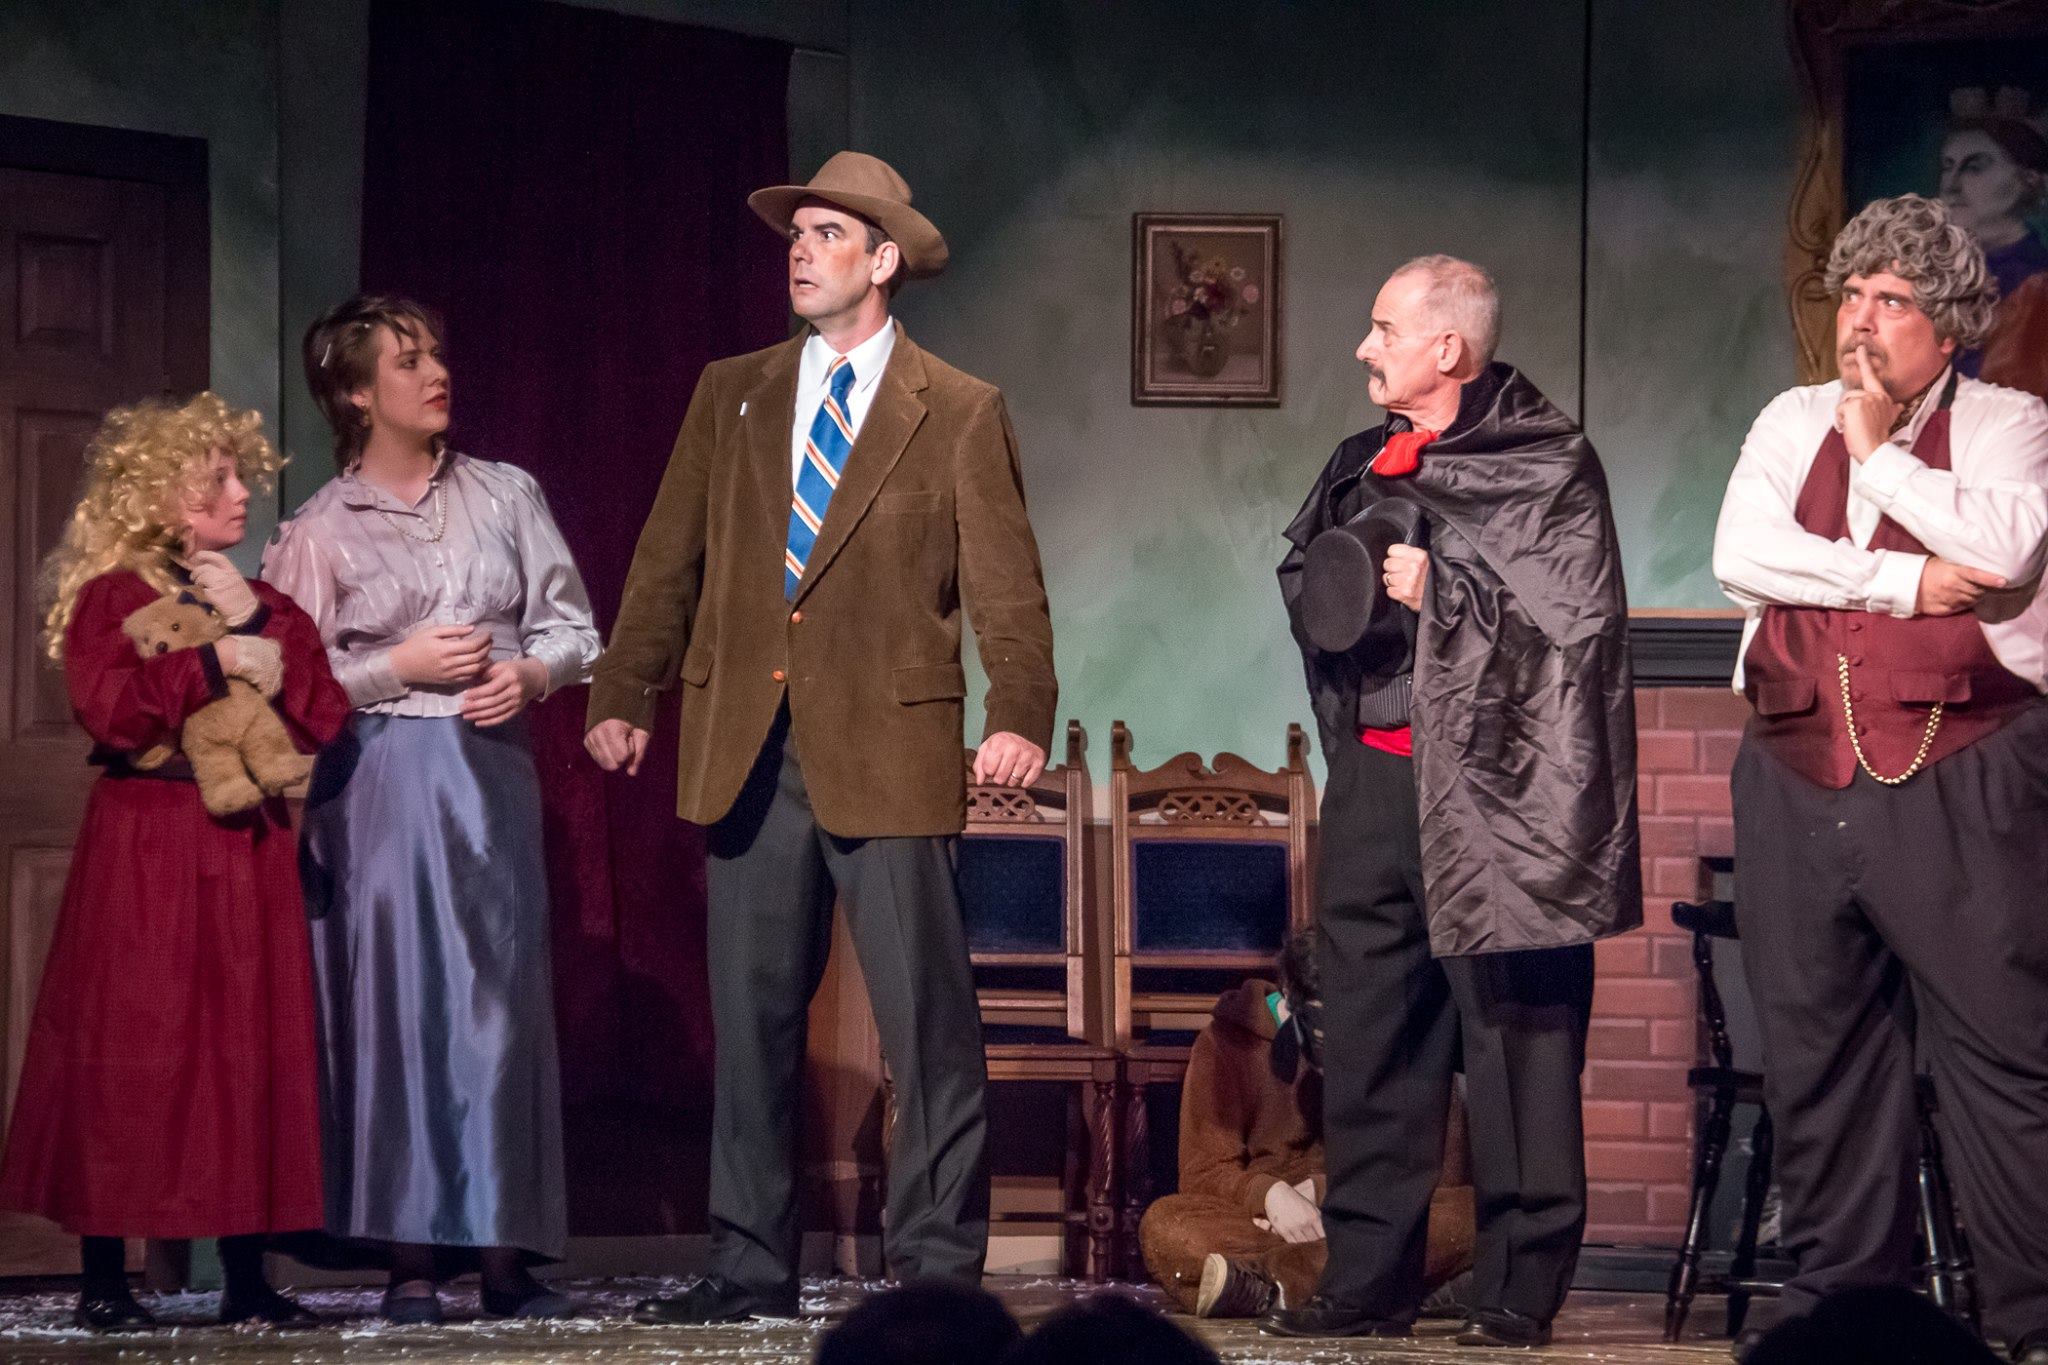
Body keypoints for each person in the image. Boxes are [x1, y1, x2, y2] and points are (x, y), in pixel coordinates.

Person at [585, 150, 1057, 1323]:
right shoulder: (732, 391)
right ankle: (749, 1264)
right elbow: (668, 555)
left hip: (890, 745)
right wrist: (623, 688)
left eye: (828, 235)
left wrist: (1018, 713)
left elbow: (1007, 586)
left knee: (927, 1026)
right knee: (750, 1026)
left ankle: (936, 1275)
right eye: (795, 236)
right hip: (748, 743)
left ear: (882, 259)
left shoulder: (956, 408)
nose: (800, 252)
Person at [1267, 256, 1640, 1346]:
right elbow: (1311, 583)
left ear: (1446, 346)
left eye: (1383, 328)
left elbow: (1575, 630)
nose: (1363, 346)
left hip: (1495, 794)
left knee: (1516, 1035)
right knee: (1372, 1034)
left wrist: (1447, 594)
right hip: (1377, 779)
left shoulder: (1543, 462)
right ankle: (1366, 1280)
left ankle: (1517, 1284)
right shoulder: (1358, 461)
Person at [1713, 193, 2048, 1365]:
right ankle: (1840, 1324)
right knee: (1817, 1063)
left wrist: (1876, 460)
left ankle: (2031, 1322)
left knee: (2001, 1058)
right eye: (1850, 294)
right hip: (1793, 769)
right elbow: (1740, 554)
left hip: (1963, 770)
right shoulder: (1787, 417)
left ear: (1943, 325)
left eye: (1889, 299)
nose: (1858, 318)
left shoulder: (2006, 422)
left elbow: (2001, 549)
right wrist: (1901, 582)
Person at [263, 295, 601, 1322]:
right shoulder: (321, 528)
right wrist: (393, 667)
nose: (435, 373)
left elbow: (575, 628)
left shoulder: (505, 493)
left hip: (489, 775)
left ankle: (503, 1256)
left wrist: (531, 676)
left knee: (496, 1007)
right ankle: (409, 1258)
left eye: (437, 355)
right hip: (378, 782)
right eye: (406, 362)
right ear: (357, 394)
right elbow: (284, 683)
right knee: (398, 1007)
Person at [0, 393, 349, 1330]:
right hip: (148, 837)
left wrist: (257, 621)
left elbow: (322, 712)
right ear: (158, 492)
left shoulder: (262, 600)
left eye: (240, 477)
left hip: (244, 841)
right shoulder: (114, 597)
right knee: (134, 1044)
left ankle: (246, 1276)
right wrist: (211, 658)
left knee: (245, 1042)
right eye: (215, 480)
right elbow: (110, 708)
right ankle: (105, 1278)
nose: (240, 495)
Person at [1137, 934, 1473, 1318]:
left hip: (1367, 1218)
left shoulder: (1402, 1043)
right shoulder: (1226, 1043)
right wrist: (1271, 1195)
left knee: (1471, 1214)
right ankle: (1387, 1286)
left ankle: (1275, 1284)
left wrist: (1322, 1192)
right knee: (1167, 1227)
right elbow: (1203, 1173)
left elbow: (1441, 1181)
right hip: (1265, 1226)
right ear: (1288, 1001)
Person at [1939, 86, 2048, 399]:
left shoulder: (2038, 287)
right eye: (1947, 166)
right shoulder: (1940, 275)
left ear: (2029, 181)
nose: (1951, 185)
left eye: (1974, 167)